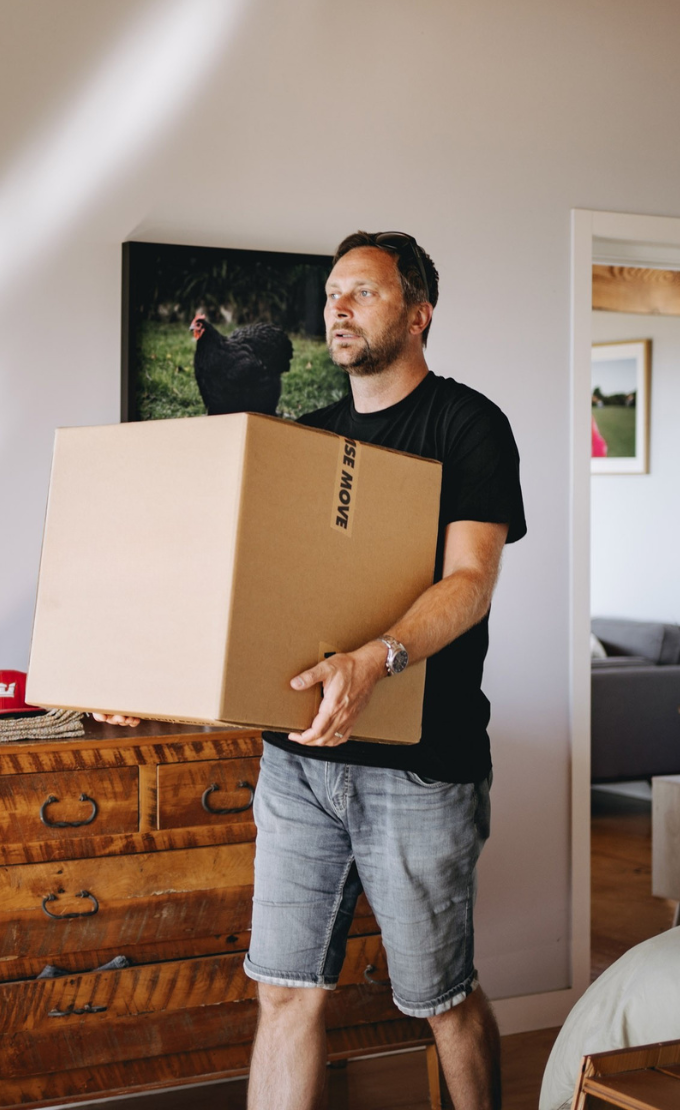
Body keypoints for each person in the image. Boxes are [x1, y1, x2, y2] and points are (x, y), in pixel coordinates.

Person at [97, 230, 525, 1110]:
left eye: (361, 292)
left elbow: (471, 582)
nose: (337, 307)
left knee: (439, 1002)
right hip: (298, 766)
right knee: (285, 991)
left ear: (418, 313)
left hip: (418, 767)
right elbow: (246, 592)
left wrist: (380, 656)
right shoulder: (310, 438)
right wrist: (146, 679)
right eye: (332, 293)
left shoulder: (466, 424)